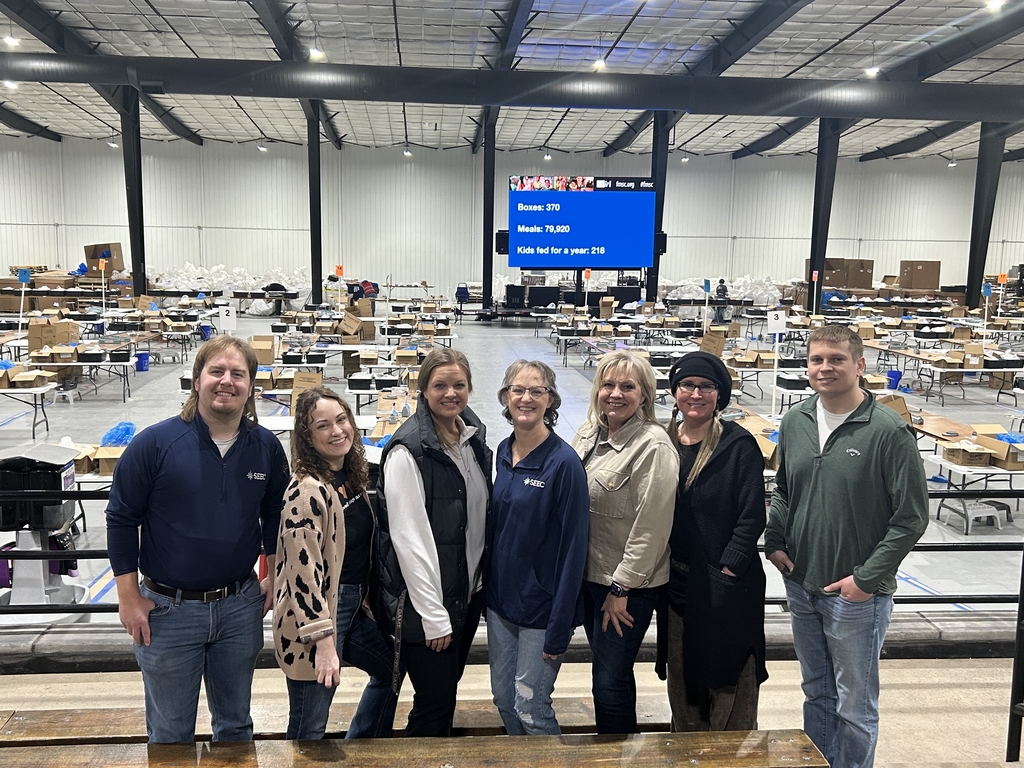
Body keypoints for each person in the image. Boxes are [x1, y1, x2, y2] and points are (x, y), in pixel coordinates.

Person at [106, 336, 290, 743]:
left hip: (239, 608)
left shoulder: (266, 448)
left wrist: (273, 574)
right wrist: (128, 597)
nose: (226, 381)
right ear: (196, 381)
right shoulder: (154, 445)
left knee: (236, 727)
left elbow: (275, 515)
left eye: (237, 374)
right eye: (217, 372)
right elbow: (121, 519)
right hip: (168, 614)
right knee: (171, 733)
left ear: (251, 386)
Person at [765, 324, 928, 768]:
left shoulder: (887, 430)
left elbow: (912, 517)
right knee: (816, 691)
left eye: (836, 359)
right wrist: (775, 540)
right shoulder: (795, 420)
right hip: (802, 584)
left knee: (855, 705)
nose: (825, 367)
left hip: (856, 596)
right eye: (817, 359)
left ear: (859, 365)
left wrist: (866, 580)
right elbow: (783, 489)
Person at [373, 348, 492, 737]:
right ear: (423, 389)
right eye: (439, 385)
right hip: (428, 606)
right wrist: (433, 615)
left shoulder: (471, 438)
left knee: (442, 698)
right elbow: (410, 540)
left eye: (459, 385)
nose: (450, 393)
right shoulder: (409, 451)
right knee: (434, 706)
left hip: (465, 595)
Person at [273, 386, 400, 740]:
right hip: (318, 616)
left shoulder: (349, 478)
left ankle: (361, 747)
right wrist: (324, 642)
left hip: (352, 605)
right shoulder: (306, 491)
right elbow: (303, 576)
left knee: (392, 667)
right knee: (309, 724)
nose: (337, 431)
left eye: (341, 420)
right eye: (323, 426)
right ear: (308, 438)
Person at [571, 350, 678, 734]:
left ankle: (616, 751)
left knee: (609, 679)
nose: (615, 393)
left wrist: (622, 587)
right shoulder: (589, 433)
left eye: (627, 386)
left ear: (645, 395)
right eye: (608, 384)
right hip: (589, 577)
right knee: (606, 670)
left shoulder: (653, 446)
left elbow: (652, 527)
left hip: (625, 588)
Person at [663, 352, 767, 731]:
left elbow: (752, 514)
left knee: (728, 682)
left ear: (719, 395)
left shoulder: (737, 446)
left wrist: (727, 567)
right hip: (678, 585)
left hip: (727, 589)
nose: (696, 394)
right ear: (675, 391)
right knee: (684, 680)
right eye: (687, 385)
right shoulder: (663, 443)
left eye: (706, 386)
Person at [487, 360, 589, 735]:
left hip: (541, 611)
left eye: (537, 391)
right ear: (505, 396)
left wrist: (559, 625)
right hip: (501, 605)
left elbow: (574, 550)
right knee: (503, 698)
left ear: (551, 400)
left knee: (531, 705)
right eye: (518, 389)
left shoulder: (564, 465)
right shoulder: (503, 450)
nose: (526, 398)